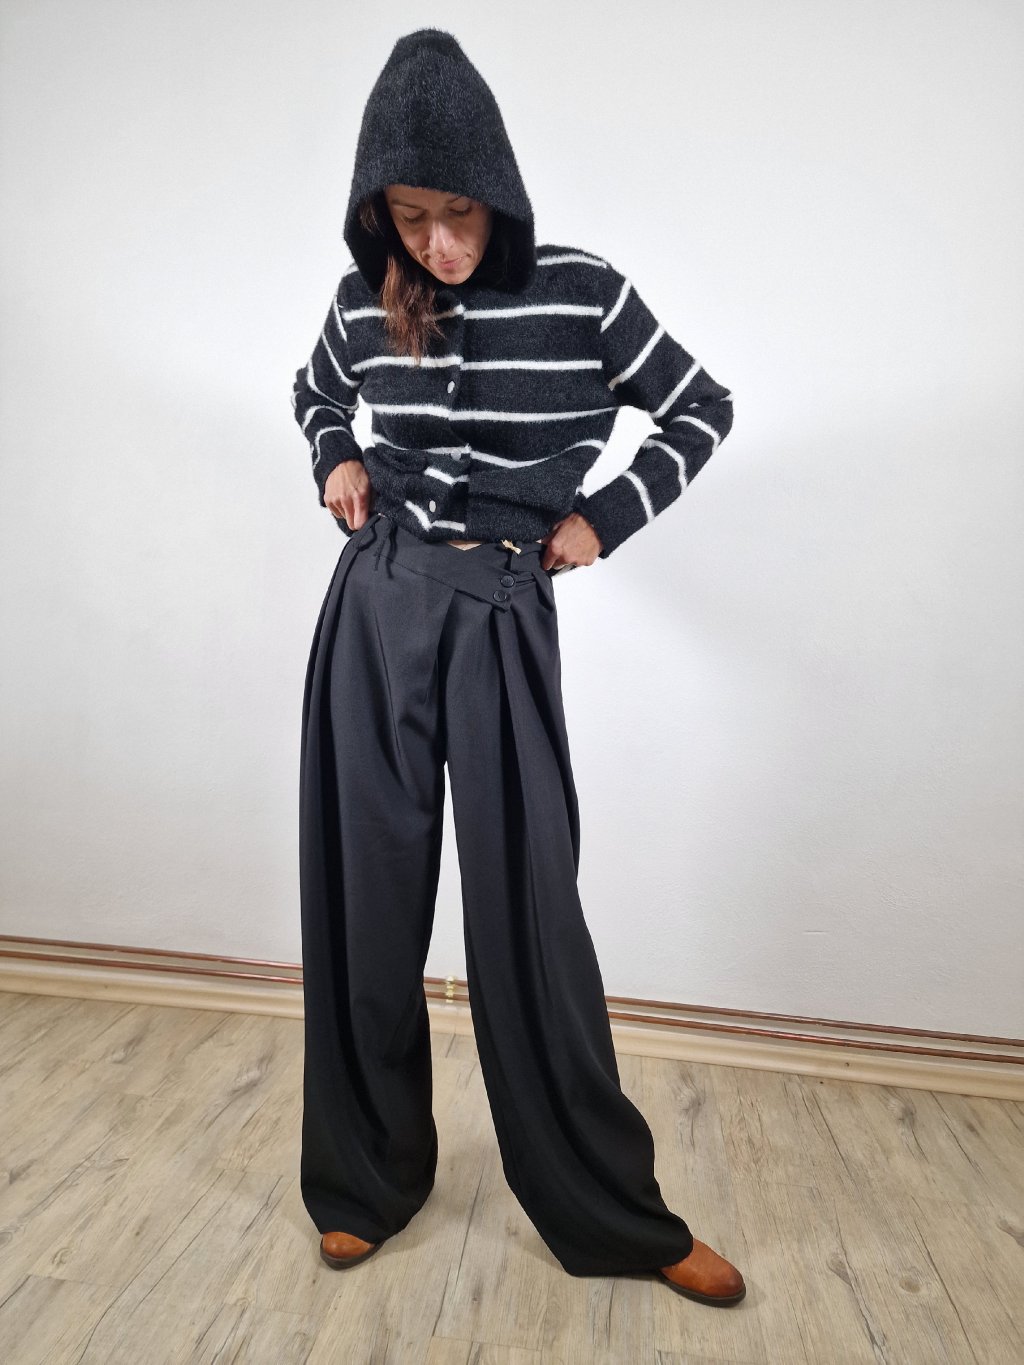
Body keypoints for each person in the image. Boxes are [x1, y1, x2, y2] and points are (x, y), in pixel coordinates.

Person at [290, 27, 745, 1307]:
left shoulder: (583, 293)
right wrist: (334, 454)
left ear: (496, 187)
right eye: (409, 219)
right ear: (378, 214)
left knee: (529, 915)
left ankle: (612, 1214)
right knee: (365, 900)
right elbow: (314, 393)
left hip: (499, 607)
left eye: (457, 213)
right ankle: (364, 1183)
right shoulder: (365, 300)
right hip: (375, 603)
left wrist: (604, 517)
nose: (437, 244)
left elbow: (701, 406)